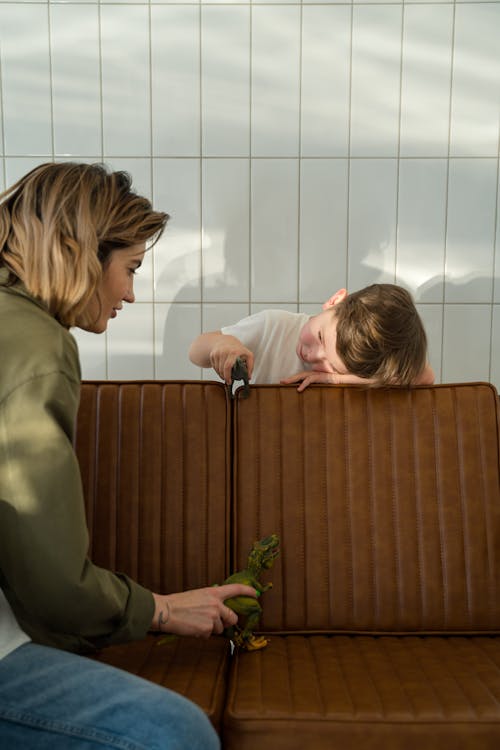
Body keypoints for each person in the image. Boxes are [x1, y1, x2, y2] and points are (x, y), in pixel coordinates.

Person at [0, 162, 257, 749]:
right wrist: (161, 611)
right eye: (130, 269)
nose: (132, 293)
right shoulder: (38, 345)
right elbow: (55, 585)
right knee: (176, 733)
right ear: (83, 253)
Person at [189, 284, 435, 391]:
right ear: (335, 301)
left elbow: (424, 376)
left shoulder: (362, 363)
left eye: (330, 363)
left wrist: (335, 380)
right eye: (320, 337)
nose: (313, 355)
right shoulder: (273, 325)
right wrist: (224, 344)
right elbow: (196, 351)